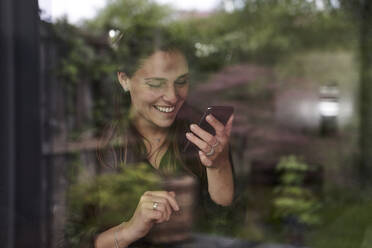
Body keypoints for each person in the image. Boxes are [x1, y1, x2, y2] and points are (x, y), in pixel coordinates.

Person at [94, 43, 234, 248]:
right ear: (124, 80)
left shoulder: (200, 137)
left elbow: (225, 220)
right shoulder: (100, 146)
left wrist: (218, 165)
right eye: (155, 83)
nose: (172, 96)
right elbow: (72, 238)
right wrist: (129, 230)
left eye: (182, 81)